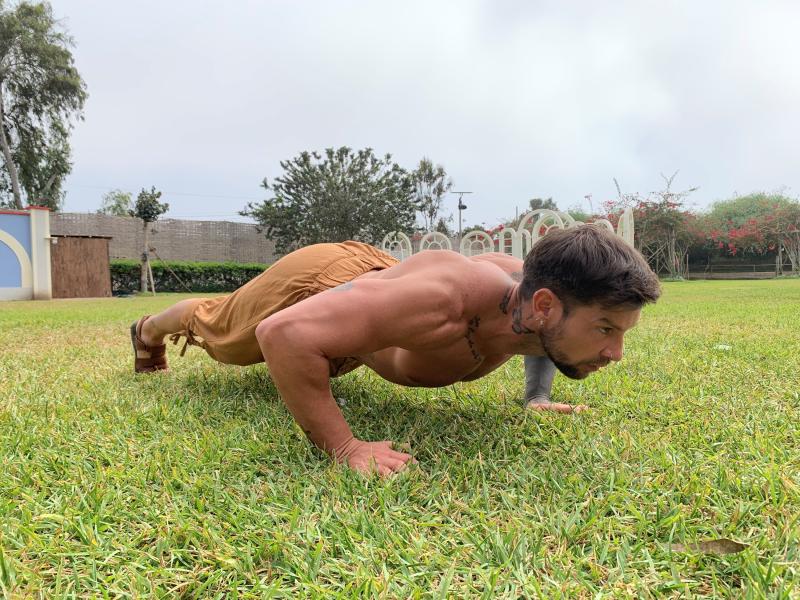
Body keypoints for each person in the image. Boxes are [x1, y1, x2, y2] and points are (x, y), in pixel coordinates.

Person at [131, 225, 660, 475]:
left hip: (377, 292)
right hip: (321, 279)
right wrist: (345, 447)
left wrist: (536, 397)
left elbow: (548, 340)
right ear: (544, 306)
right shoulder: (443, 300)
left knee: (316, 341)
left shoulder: (538, 304)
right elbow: (284, 336)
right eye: (606, 329)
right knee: (225, 333)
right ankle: (149, 330)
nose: (615, 353)